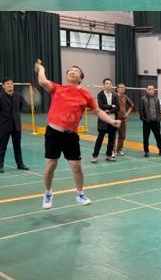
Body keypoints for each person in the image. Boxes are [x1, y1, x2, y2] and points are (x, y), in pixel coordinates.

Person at [34, 61, 120, 209]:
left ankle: (80, 193)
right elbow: (42, 81)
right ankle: (48, 193)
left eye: (76, 71)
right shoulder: (58, 88)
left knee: (76, 167)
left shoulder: (85, 95)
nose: (73, 72)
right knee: (51, 165)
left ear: (81, 78)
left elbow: (98, 111)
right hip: (53, 132)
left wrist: (111, 121)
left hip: (70, 135)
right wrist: (41, 68)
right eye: (70, 70)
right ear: (67, 75)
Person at [0, 77, 28, 172]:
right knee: (2, 147)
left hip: (16, 126)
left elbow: (19, 108)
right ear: (3, 86)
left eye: (11, 83)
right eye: (8, 84)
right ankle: (0, 166)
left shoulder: (18, 96)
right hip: (4, 126)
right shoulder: (0, 97)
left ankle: (20, 164)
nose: (10, 85)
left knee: (17, 146)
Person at [91, 78, 118, 163]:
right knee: (100, 138)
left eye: (110, 83)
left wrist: (109, 111)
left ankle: (109, 155)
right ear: (104, 85)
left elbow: (117, 107)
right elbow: (101, 106)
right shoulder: (100, 95)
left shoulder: (115, 95)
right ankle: (95, 156)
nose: (108, 85)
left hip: (112, 120)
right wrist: (111, 106)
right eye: (107, 83)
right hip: (103, 120)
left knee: (111, 139)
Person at [139, 85, 161, 157]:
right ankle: (146, 151)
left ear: (154, 90)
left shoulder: (156, 99)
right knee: (146, 137)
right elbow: (141, 110)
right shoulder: (143, 99)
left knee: (158, 137)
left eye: (152, 89)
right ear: (146, 90)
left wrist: (159, 119)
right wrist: (144, 119)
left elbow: (158, 110)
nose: (151, 90)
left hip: (156, 122)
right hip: (147, 122)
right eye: (149, 89)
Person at [114, 82, 134, 156]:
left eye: (123, 88)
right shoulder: (114, 96)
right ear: (117, 89)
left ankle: (119, 150)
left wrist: (127, 113)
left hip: (123, 119)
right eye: (121, 87)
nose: (122, 89)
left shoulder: (125, 97)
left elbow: (132, 105)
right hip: (115, 118)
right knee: (113, 135)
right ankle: (112, 150)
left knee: (122, 135)